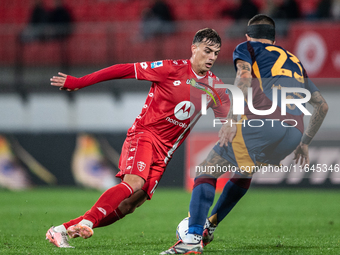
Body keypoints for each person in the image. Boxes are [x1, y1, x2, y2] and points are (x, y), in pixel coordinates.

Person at [45, 28, 230, 248]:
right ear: (194, 48)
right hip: (144, 135)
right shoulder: (170, 69)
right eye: (207, 51)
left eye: (216, 53)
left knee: (130, 204)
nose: (211, 57)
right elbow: (122, 70)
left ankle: (61, 230)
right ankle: (87, 222)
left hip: (166, 152)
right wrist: (80, 82)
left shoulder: (215, 87)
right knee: (134, 182)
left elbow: (229, 116)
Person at [161, 14, 328, 254]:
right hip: (294, 133)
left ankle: (192, 240)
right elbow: (322, 106)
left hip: (265, 124)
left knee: (207, 171)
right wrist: (304, 143)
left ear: (248, 35)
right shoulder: (294, 61)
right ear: (273, 38)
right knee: (244, 170)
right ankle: (210, 226)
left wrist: (231, 120)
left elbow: (245, 77)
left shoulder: (246, 47)